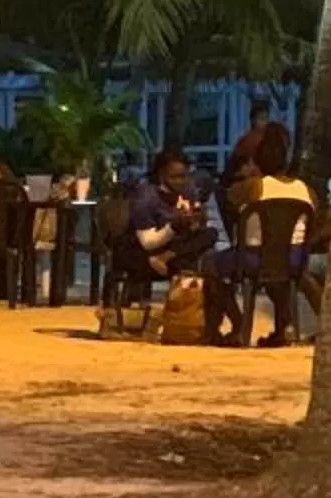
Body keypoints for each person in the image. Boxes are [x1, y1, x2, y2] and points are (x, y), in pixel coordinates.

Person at [210, 122, 320, 346]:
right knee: (278, 275)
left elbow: (228, 199)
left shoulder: (253, 187)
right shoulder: (306, 190)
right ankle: (282, 328)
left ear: (256, 161)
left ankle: (237, 324)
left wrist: (247, 173)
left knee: (210, 265)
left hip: (252, 259)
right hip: (293, 260)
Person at [120, 148, 217, 281]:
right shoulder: (146, 198)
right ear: (162, 175)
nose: (180, 182)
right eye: (174, 177)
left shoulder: (188, 192)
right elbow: (147, 242)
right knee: (188, 263)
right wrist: (173, 226)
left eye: (184, 176)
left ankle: (167, 258)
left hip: (175, 249)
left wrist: (198, 220)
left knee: (210, 234)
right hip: (144, 251)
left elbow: (191, 231)